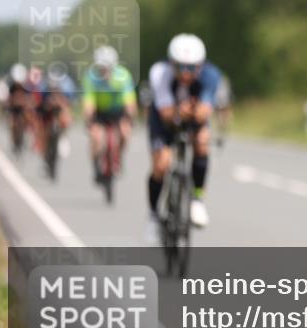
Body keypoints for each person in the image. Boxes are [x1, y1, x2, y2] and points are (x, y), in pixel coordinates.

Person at [145, 33, 221, 243]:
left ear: (200, 66)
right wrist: (180, 113)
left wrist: (196, 113)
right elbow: (167, 114)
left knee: (203, 142)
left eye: (192, 68)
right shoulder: (160, 73)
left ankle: (197, 198)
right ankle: (153, 216)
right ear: (171, 63)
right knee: (161, 165)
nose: (186, 73)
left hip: (192, 117)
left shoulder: (211, 75)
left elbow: (204, 111)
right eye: (180, 67)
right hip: (163, 119)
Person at [82, 46, 137, 183]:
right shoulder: (90, 77)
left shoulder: (123, 76)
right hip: (100, 112)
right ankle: (96, 167)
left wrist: (130, 117)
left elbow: (129, 100)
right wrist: (89, 120)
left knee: (125, 133)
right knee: (96, 138)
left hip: (118, 112)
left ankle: (118, 156)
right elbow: (88, 102)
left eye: (107, 68)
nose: (103, 71)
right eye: (101, 68)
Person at [4, 64, 31, 154]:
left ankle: (26, 136)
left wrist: (28, 105)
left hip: (23, 109)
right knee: (11, 123)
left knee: (28, 120)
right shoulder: (11, 86)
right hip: (14, 109)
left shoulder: (27, 86)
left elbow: (29, 98)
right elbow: (8, 98)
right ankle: (13, 139)